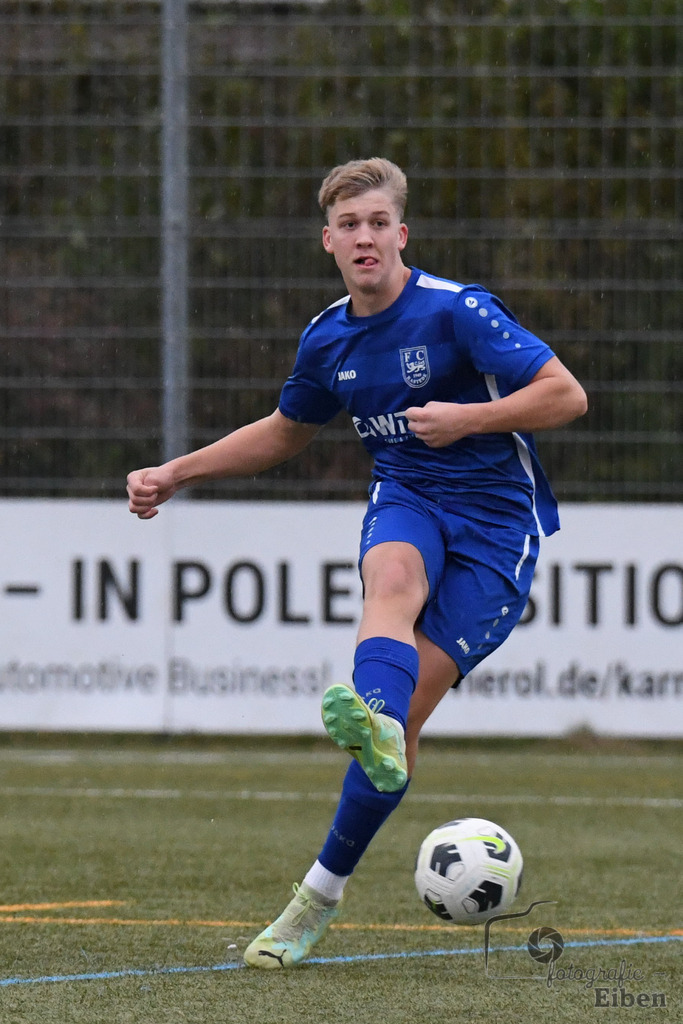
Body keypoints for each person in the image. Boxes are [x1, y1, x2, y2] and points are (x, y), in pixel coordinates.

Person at [127, 157, 587, 969]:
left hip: (494, 526)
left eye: (379, 223)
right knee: (392, 581)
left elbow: (565, 395)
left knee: (404, 725)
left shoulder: (458, 312)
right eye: (350, 226)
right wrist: (175, 473)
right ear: (329, 241)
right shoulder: (327, 336)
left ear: (400, 235)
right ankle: (317, 891)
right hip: (407, 492)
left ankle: (324, 881)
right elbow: (282, 432)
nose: (365, 237)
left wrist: (468, 419)